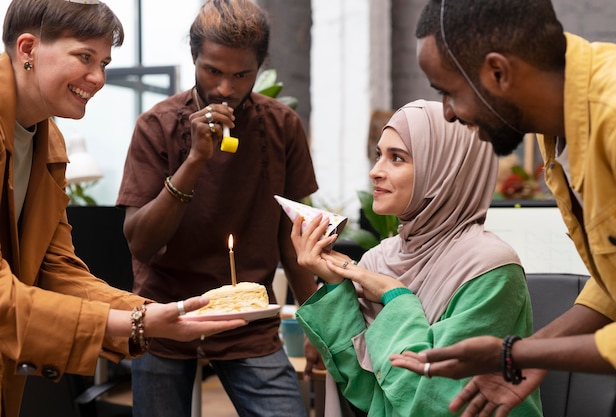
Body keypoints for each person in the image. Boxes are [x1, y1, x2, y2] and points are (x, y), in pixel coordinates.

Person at [0, 1, 247, 417]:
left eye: (104, 62)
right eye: (84, 57)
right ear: (27, 49)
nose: (98, 78)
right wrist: (135, 323)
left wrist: (150, 312)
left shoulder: (50, 142)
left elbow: (55, 268)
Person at [389, 0, 616, 415]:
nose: (448, 113)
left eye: (448, 92)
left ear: (498, 71)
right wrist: (531, 351)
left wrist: (515, 355)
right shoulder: (559, 128)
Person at [115, 0, 319, 416]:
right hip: (164, 314)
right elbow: (140, 242)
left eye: (241, 74)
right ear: (194, 58)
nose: (225, 88)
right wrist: (193, 162)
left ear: (259, 67)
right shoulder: (157, 126)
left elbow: (293, 236)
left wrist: (317, 323)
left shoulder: (282, 126)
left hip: (248, 320)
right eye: (213, 70)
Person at [290, 99, 542, 416]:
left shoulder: (490, 269)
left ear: (444, 170)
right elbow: (368, 393)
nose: (375, 172)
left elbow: (437, 403)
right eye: (379, 155)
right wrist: (334, 285)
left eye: (397, 158)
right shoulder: (376, 261)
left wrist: (396, 298)